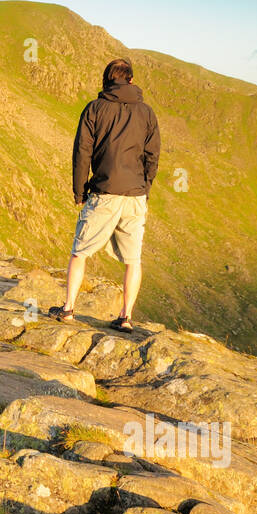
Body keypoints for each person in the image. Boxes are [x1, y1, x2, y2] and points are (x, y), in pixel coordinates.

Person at [49, 57, 161, 332]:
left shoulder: (95, 109)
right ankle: (126, 318)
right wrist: (145, 187)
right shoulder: (147, 113)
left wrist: (79, 190)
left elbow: (82, 152)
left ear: (107, 80)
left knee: (80, 252)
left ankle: (68, 310)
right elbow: (153, 155)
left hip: (104, 192)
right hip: (135, 195)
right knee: (133, 259)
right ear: (131, 80)